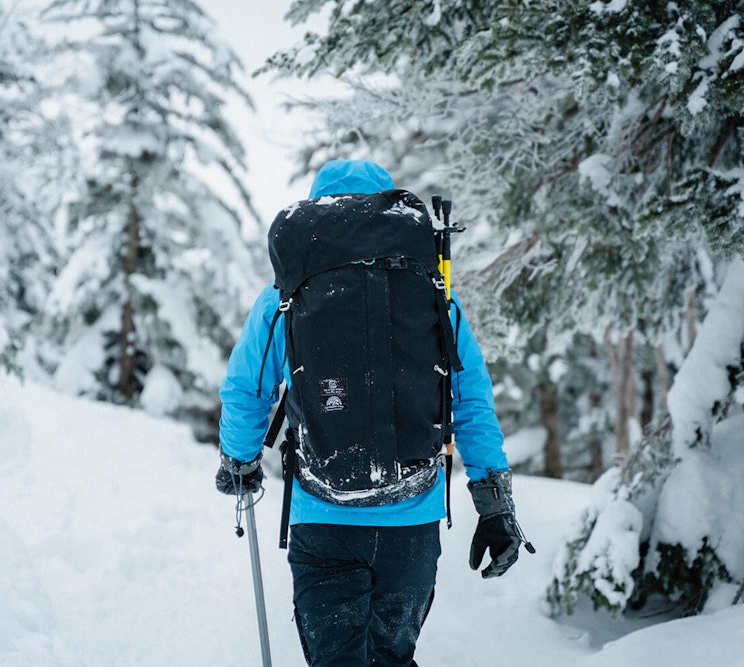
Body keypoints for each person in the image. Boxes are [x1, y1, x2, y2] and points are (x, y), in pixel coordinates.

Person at [215, 160, 525, 667]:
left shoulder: (283, 298)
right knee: (392, 658)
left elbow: (246, 389)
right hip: (413, 523)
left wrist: (239, 460)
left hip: (323, 520)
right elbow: (469, 400)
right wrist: (493, 501)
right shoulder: (434, 297)